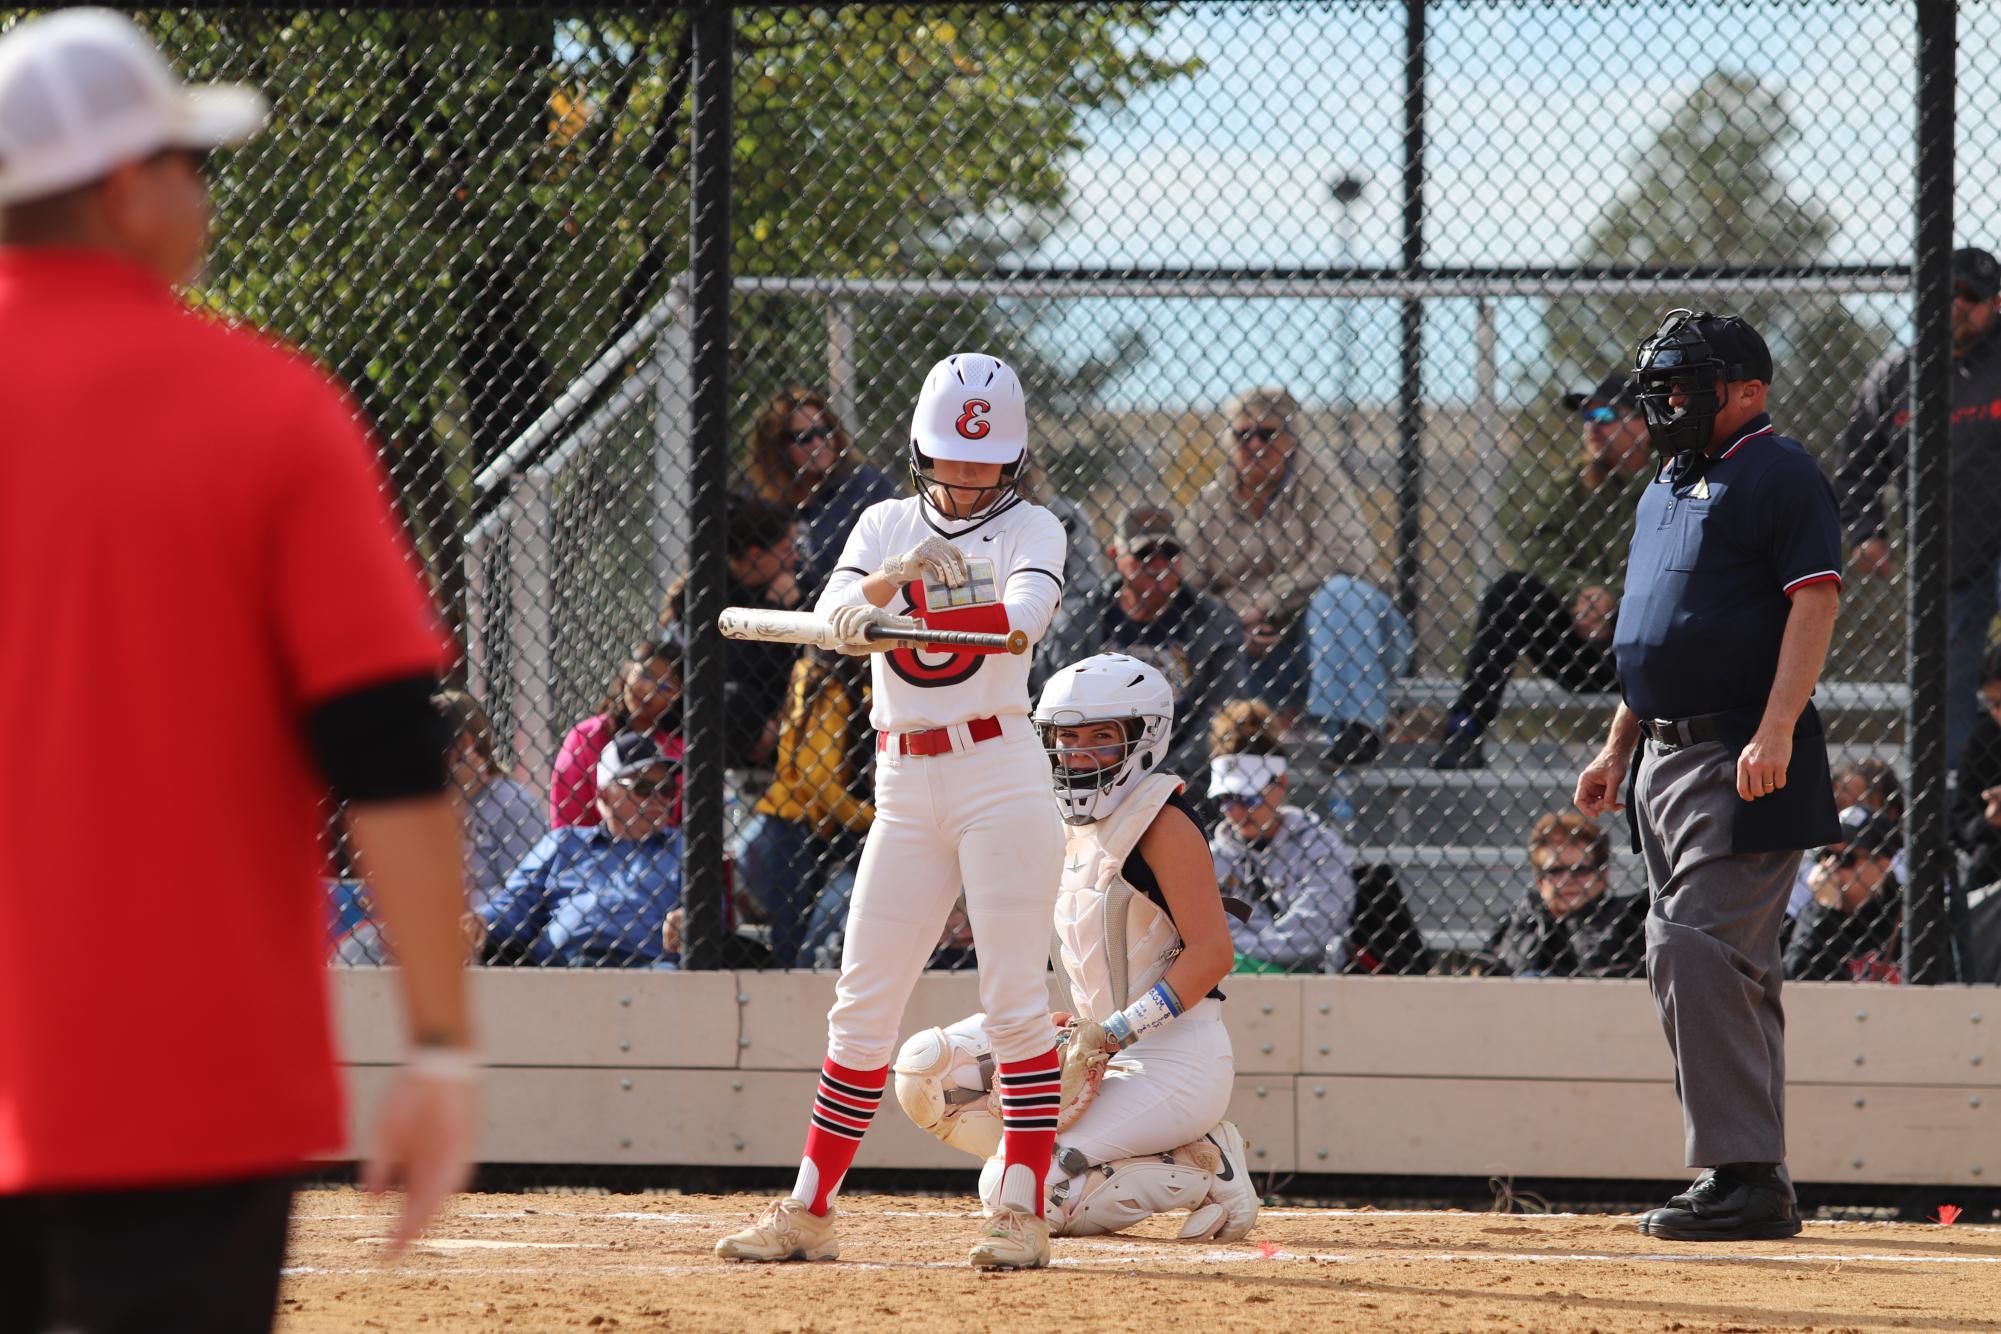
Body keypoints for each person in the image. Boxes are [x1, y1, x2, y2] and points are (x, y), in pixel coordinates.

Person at [0, 12, 473, 1328]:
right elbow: (385, 744)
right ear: (121, 187)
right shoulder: (265, 409)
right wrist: (438, 1042)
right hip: (183, 1080)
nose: (201, 191)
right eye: (185, 163)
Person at [715, 352, 1069, 1270]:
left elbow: (1023, 618)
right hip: (904, 784)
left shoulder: (1035, 526)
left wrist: (927, 607)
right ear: (918, 452)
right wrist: (876, 594)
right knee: (860, 1007)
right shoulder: (881, 522)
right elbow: (833, 612)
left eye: (982, 466)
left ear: (1013, 461)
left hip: (1000, 770)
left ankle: (1022, 1214)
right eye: (948, 461)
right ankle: (810, 1209)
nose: (962, 481)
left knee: (1015, 1005)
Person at [1576, 309, 1844, 1243]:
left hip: (1741, 754)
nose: (1671, 401)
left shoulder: (1779, 470)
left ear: (1750, 392)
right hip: (1661, 754)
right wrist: (1618, 745)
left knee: (1689, 946)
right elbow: (1652, 633)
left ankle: (1739, 1175)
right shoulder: (1666, 479)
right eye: (1666, 386)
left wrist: (1773, 731)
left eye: (1691, 385)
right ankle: (1755, 1176)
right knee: (1729, 969)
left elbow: (1813, 601)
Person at [890, 653, 1258, 1242]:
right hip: (1097, 1045)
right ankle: (1090, 1152)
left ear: (1144, 738)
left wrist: (1112, 1032)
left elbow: (1214, 954)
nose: (1079, 754)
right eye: (1068, 737)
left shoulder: (1164, 822)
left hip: (1176, 1062)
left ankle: (1207, 1166)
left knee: (1027, 1193)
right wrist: (1074, 1027)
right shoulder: (1059, 819)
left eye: (1102, 737)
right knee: (925, 1072)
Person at [1432, 372, 1648, 769]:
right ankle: (1465, 730)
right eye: (1586, 415)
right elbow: (1537, 552)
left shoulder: (1672, 485)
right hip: (1577, 649)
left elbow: (1678, 564)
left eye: (1605, 414)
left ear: (1644, 423)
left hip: (1644, 647)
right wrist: (1579, 593)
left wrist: (1612, 596)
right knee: (1509, 591)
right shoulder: (1572, 486)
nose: (1591, 425)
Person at [1836, 246, 2001, 760]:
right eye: (1942, 295)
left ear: (1997, 303)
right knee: (1944, 687)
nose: (1955, 306)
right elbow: (1858, 463)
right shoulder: (1897, 376)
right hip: (1947, 560)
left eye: (1969, 297)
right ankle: (1947, 805)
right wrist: (1866, 531)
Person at [1181, 386, 1377, 721]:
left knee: (1342, 595)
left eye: (1267, 433)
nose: (1255, 444)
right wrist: (1232, 624)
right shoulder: (1210, 502)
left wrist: (1266, 604)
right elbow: (1188, 585)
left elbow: (1347, 555)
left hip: (1326, 638)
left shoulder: (1321, 479)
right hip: (1243, 646)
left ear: (1291, 439)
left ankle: (1349, 734)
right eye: (1244, 435)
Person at [1038, 504, 1245, 779]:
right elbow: (1048, 707)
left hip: (1186, 777)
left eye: (1168, 553)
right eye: (1144, 553)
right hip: (1091, 768)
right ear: (1115, 555)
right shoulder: (1077, 624)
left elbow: (1220, 716)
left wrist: (1164, 776)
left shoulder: (1215, 625)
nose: (1158, 564)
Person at [478, 733, 685, 967]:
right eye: (643, 788)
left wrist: (690, 920)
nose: (659, 799)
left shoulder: (683, 849)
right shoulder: (564, 843)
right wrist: (480, 922)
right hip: (562, 968)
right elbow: (514, 903)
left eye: (666, 789)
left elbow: (710, 913)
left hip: (651, 969)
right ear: (605, 795)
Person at [734, 648, 873, 968]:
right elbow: (818, 779)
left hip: (793, 821)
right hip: (792, 823)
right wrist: (870, 817)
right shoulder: (833, 688)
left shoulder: (812, 675)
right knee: (790, 936)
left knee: (793, 930)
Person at [1206, 700, 1360, 973]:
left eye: (1250, 797)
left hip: (1307, 978)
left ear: (1282, 784)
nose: (1238, 810)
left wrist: (1242, 954)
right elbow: (1204, 931)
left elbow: (1311, 935)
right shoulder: (1210, 857)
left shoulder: (1320, 847)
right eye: (1226, 799)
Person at [659, 495, 804, 768]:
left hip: (781, 718)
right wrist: (774, 608)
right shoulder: (707, 592)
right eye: (786, 549)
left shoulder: (793, 583)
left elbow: (802, 660)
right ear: (755, 554)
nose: (795, 558)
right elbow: (730, 665)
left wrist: (780, 719)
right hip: (721, 721)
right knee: (735, 700)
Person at [742, 386, 897, 599]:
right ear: (778, 446)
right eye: (805, 437)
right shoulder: (762, 492)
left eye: (825, 432)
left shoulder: (864, 486)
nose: (818, 444)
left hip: (850, 605)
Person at [1484, 813, 1646, 978]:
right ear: (1539, 880)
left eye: (1580, 870)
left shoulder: (1629, 921)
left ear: (1602, 875)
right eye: (1555, 871)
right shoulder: (1517, 922)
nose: (1567, 880)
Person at [550, 633, 684, 828]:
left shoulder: (680, 749)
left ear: (678, 698)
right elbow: (566, 821)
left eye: (665, 686)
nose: (649, 690)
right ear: (627, 671)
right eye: (644, 675)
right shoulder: (587, 736)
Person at [437, 689, 545, 914]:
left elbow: (526, 896)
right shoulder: (426, 804)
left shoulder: (512, 804)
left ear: (466, 744)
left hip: (491, 935)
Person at [1784, 806, 1904, 983]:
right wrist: (1824, 909)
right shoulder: (1806, 910)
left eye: (1846, 858)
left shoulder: (1906, 914)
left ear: (1883, 864)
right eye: (1826, 855)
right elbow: (1797, 975)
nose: (1831, 867)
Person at [1952, 646, 2001, 894]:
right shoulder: (1984, 737)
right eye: (1993, 704)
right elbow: (1962, 822)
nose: (1998, 713)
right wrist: (1990, 820)